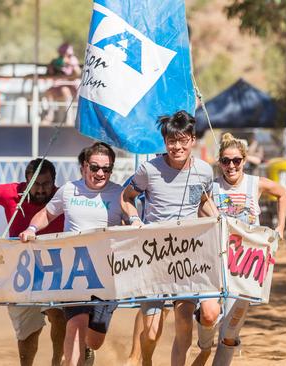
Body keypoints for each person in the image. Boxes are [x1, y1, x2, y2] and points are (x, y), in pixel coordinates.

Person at [120, 110, 219, 366]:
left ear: (193, 140)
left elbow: (204, 202)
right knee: (151, 331)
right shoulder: (148, 169)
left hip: (188, 258)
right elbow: (126, 197)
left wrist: (220, 221)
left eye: (182, 140)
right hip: (154, 258)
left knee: (185, 321)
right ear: (165, 142)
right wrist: (135, 220)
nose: (177, 147)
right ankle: (146, 361)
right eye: (171, 141)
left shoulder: (204, 171)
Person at [19, 142, 124, 366]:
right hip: (74, 272)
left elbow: (132, 224)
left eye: (106, 169)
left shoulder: (119, 193)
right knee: (75, 324)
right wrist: (31, 229)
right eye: (95, 167)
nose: (100, 173)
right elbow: (46, 214)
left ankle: (87, 349)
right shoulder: (68, 190)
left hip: (107, 275)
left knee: (94, 340)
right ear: (84, 166)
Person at [192, 133, 286, 366]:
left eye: (236, 161)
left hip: (246, 268)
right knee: (208, 315)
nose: (231, 166)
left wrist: (280, 227)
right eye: (226, 161)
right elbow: (197, 214)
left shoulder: (255, 183)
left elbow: (282, 193)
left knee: (230, 331)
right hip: (215, 263)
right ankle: (204, 348)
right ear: (220, 163)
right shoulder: (211, 187)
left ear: (244, 161)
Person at [0, 158, 66, 366]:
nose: (40, 190)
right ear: (26, 181)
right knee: (29, 332)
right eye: (35, 184)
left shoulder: (62, 196)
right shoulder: (12, 192)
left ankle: (58, 361)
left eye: (45, 184)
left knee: (58, 315)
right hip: (21, 269)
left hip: (55, 268)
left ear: (54, 182)